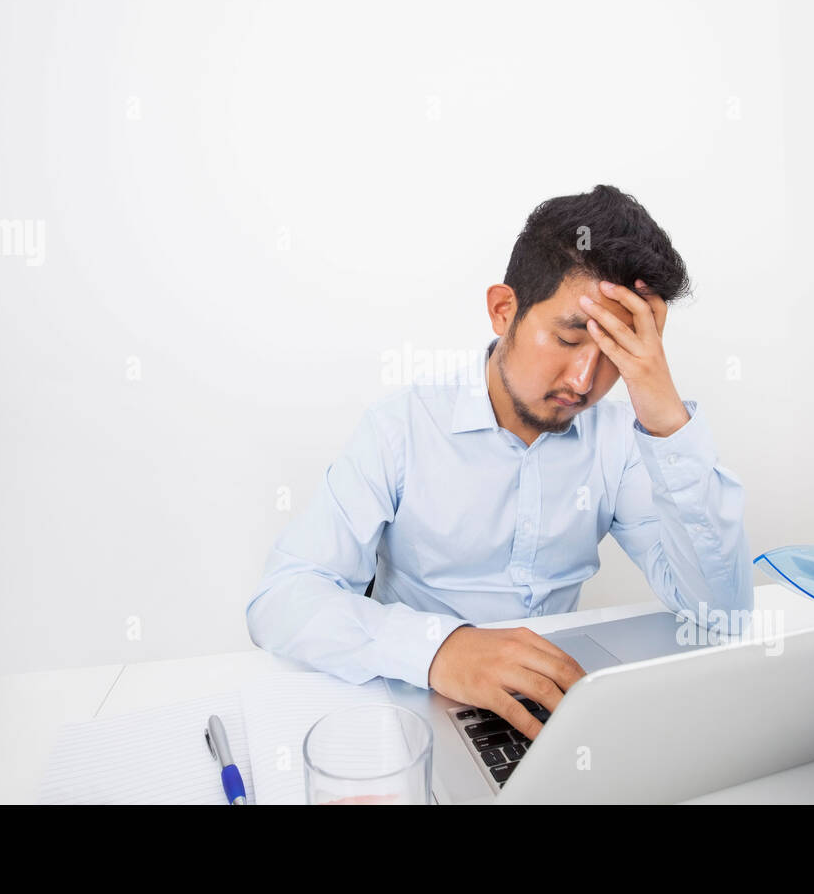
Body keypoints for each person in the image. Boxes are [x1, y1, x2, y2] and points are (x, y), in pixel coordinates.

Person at [246, 184, 753, 741]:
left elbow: (720, 612)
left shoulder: (622, 440)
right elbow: (282, 599)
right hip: (415, 707)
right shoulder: (401, 428)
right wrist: (441, 649)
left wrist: (665, 417)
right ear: (503, 310)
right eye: (568, 339)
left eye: (613, 351)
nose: (584, 380)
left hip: (553, 716)